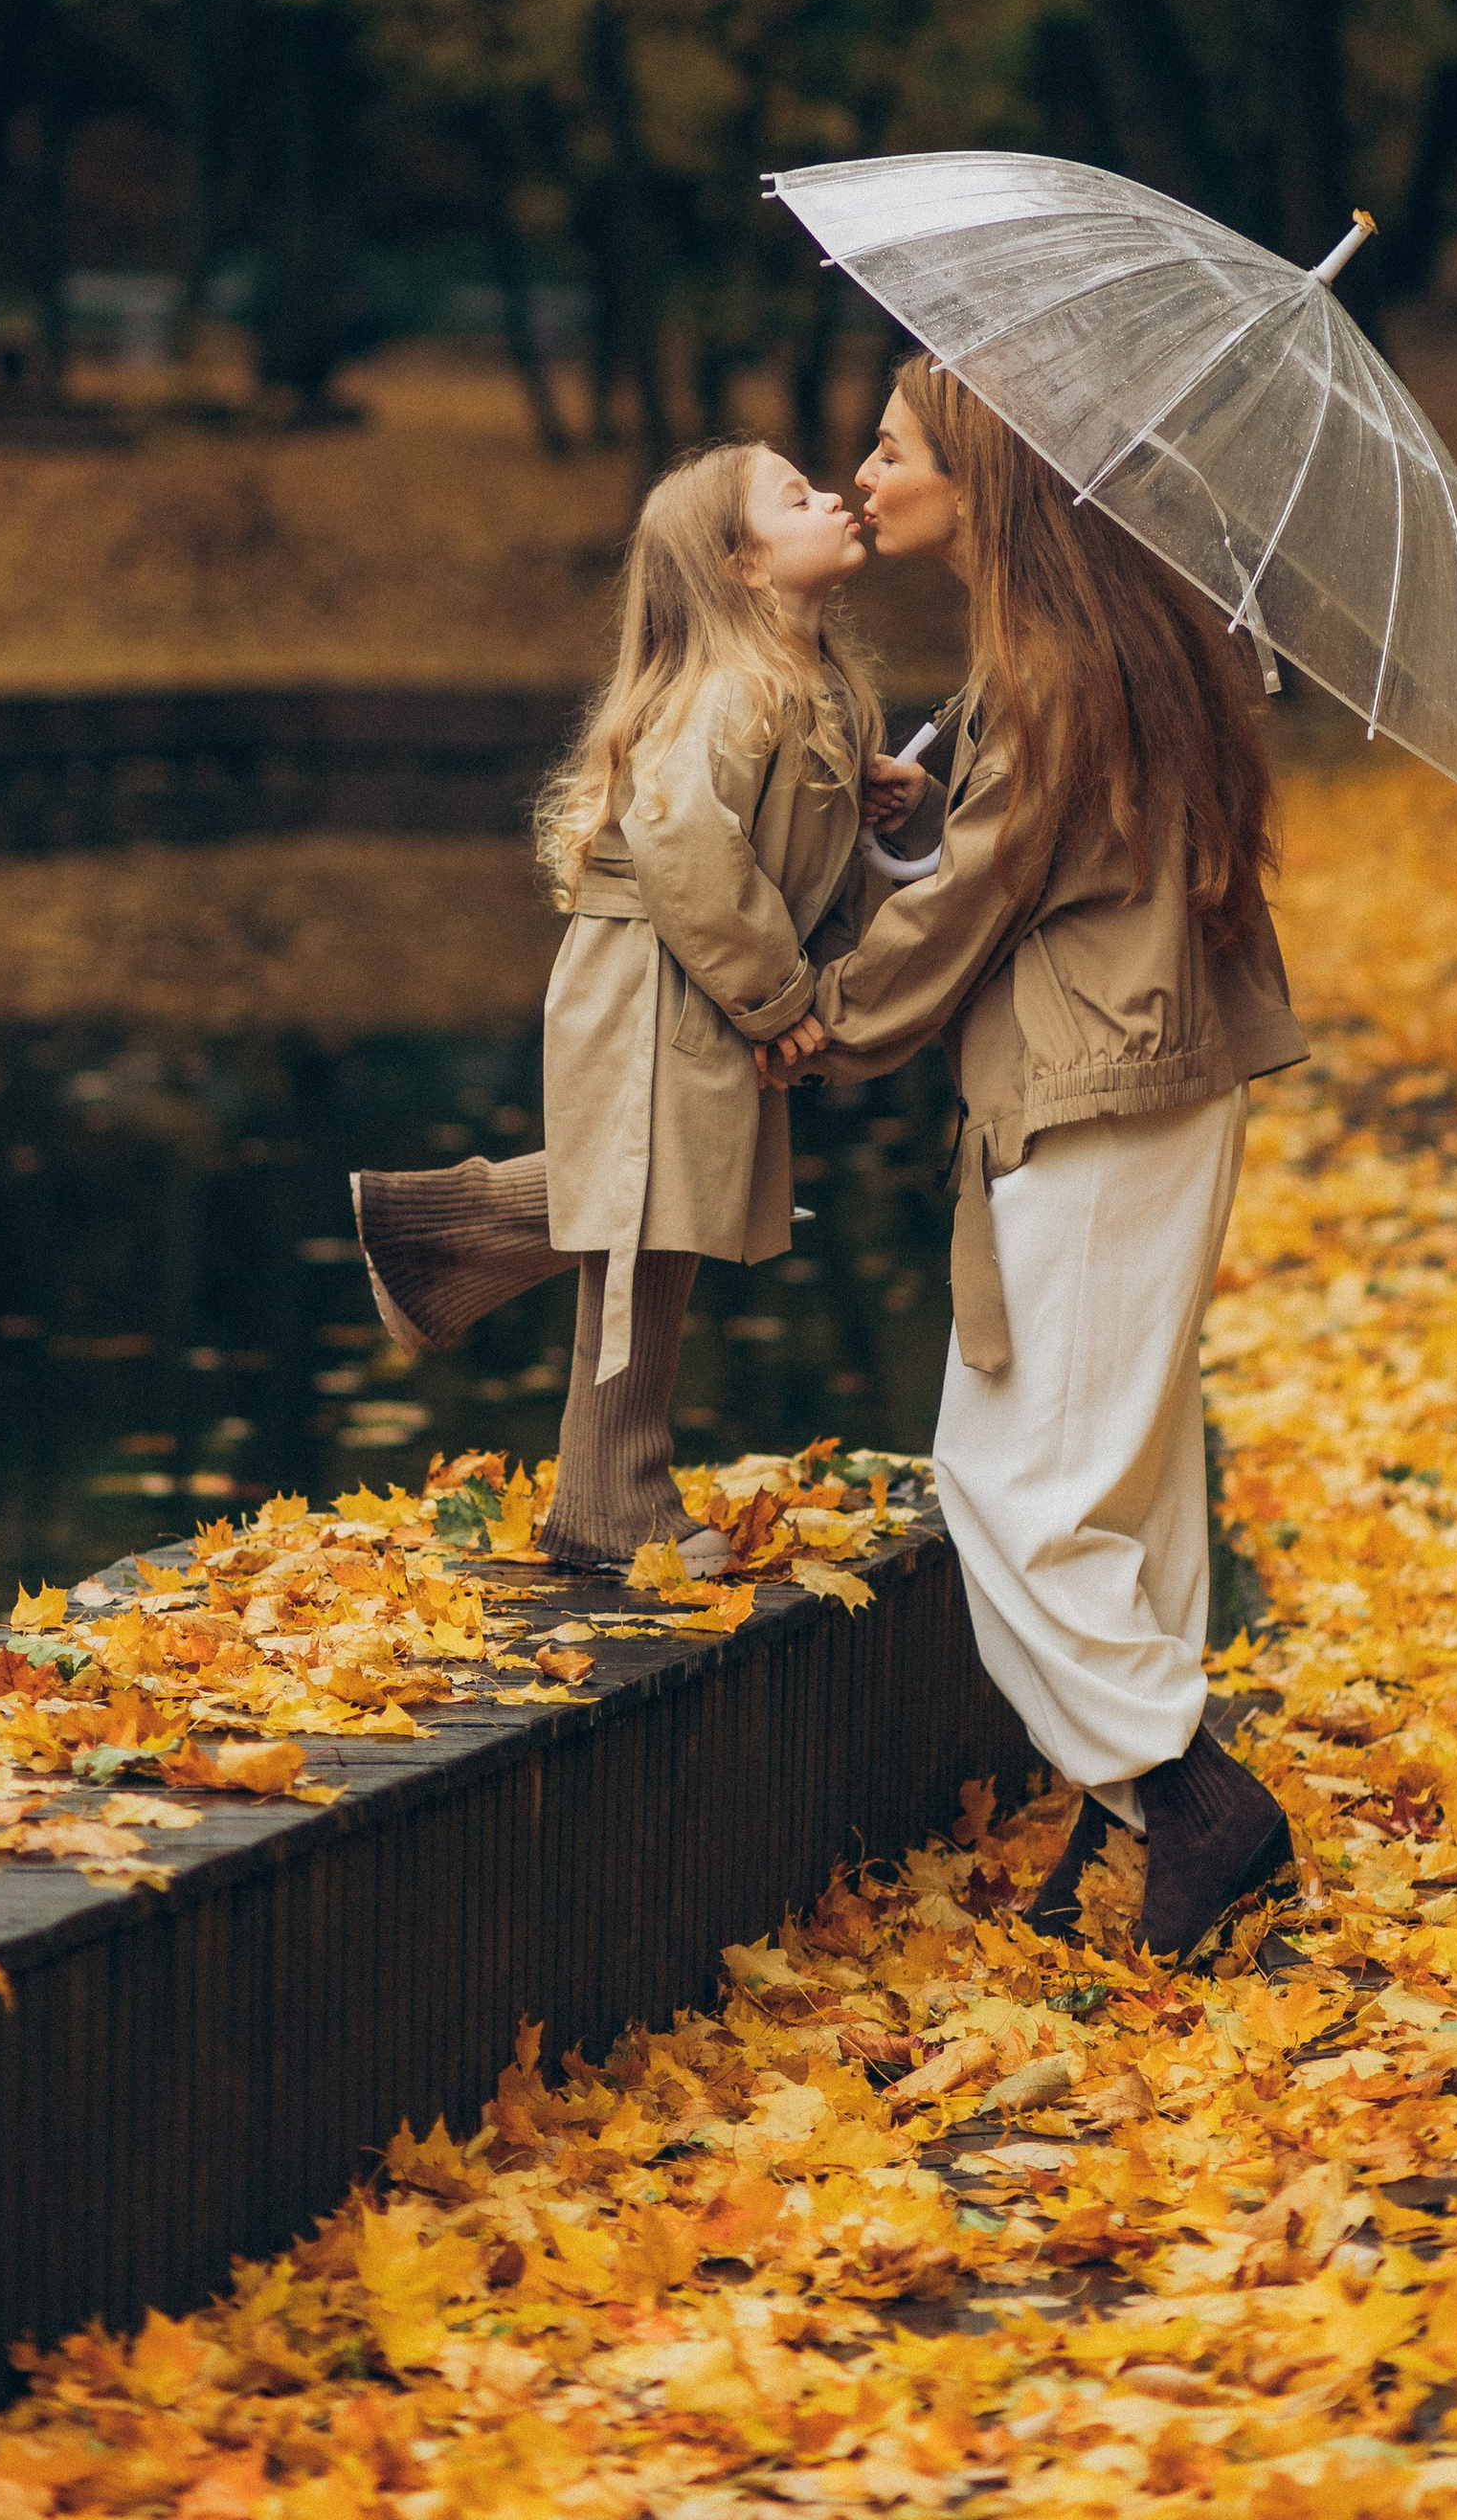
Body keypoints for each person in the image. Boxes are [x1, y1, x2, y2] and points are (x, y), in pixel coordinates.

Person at [765, 354, 1308, 1955]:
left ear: (981, 473)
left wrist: (820, 1020)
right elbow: (1013, 854)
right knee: (1122, 1485)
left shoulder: (1064, 662)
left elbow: (974, 902)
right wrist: (912, 809)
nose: (865, 470)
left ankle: (1191, 1793)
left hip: (1103, 1095)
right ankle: (1136, 1809)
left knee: (1008, 1481)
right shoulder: (1066, 651)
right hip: (1136, 1076)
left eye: (894, 444)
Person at [352, 440, 877, 1573]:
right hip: (657, 968)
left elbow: (783, 845)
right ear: (742, 564)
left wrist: (868, 789)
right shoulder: (736, 685)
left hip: (681, 966)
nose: (835, 493)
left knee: (660, 1201)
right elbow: (684, 835)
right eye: (798, 495)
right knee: (649, 1206)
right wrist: (779, 992)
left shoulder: (800, 683)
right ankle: (607, 1496)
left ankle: (438, 1236)